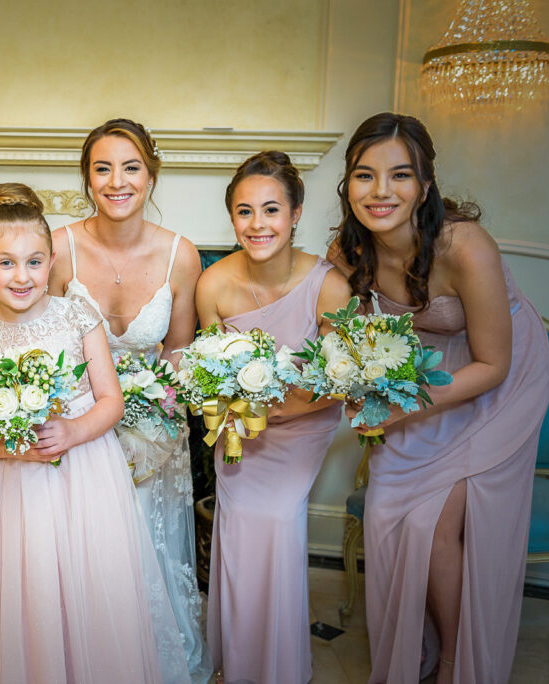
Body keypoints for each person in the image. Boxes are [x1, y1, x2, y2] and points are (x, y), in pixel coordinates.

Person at [328, 112, 549, 684]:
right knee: (384, 514)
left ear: (425, 187)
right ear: (347, 185)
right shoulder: (345, 253)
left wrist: (403, 406)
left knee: (432, 524)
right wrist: (357, 384)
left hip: (501, 374)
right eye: (364, 175)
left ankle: (454, 660)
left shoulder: (465, 245)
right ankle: (412, 647)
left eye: (400, 176)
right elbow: (348, 342)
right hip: (424, 370)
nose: (380, 192)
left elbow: (494, 364)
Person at [0, 182, 191, 684]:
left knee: (91, 586)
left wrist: (71, 431)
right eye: (6, 263)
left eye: (35, 262)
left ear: (52, 260)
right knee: (30, 590)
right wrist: (6, 444)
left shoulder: (78, 316)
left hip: (86, 475)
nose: (22, 276)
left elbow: (111, 401)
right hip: (14, 487)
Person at [48, 118, 209, 681]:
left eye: (131, 167)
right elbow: (43, 345)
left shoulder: (180, 255)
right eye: (102, 168)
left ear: (151, 174)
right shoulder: (58, 247)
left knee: (146, 546)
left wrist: (155, 414)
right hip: (80, 421)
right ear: (87, 179)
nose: (117, 181)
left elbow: (179, 352)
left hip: (155, 426)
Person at [196, 151, 351, 684]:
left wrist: (278, 411)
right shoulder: (212, 284)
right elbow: (209, 375)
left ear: (296, 213)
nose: (257, 224)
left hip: (303, 427)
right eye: (244, 211)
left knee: (277, 521)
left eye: (270, 210)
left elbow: (338, 384)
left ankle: (279, 667)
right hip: (240, 431)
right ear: (232, 218)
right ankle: (237, 662)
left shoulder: (329, 285)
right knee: (237, 531)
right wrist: (242, 413)